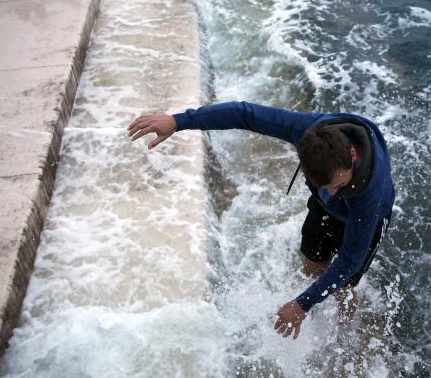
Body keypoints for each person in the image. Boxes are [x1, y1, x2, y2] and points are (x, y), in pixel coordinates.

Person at [127, 101, 395, 340]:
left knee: (344, 281)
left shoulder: (369, 194)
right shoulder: (308, 131)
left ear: (352, 154)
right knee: (313, 266)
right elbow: (244, 114)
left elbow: (350, 261)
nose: (334, 193)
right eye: (326, 185)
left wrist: (302, 304)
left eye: (338, 184)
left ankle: (344, 329)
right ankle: (321, 292)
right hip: (325, 209)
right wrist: (177, 121)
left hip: (365, 218)